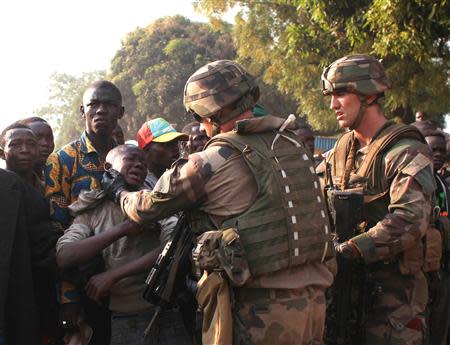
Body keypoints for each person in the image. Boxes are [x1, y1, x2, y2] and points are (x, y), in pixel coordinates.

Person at [104, 60, 335, 344]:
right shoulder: (291, 144)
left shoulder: (211, 161)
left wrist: (119, 192)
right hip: (314, 300)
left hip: (261, 311)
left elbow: (146, 208)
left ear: (209, 110)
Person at [321, 54, 435, 344]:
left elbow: (410, 220)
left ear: (370, 94)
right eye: (331, 95)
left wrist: (351, 250)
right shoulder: (339, 152)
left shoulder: (406, 151)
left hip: (392, 304)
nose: (333, 104)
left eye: (341, 93)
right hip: (342, 295)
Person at [56, 144, 190, 345]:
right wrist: (123, 229)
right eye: (130, 159)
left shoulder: (155, 203)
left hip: (165, 310)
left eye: (143, 164)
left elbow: (175, 246)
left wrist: (113, 275)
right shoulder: (93, 209)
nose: (138, 165)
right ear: (109, 167)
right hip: (124, 317)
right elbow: (64, 256)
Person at [45, 80, 124, 344]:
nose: (101, 110)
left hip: (127, 280)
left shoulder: (128, 156)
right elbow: (56, 232)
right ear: (83, 111)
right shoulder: (62, 160)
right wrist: (68, 298)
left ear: (120, 112)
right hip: (84, 283)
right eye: (94, 104)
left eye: (109, 104)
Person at [0, 122, 60, 344]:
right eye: (16, 145)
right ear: (2, 152)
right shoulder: (4, 187)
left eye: (30, 144)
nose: (24, 150)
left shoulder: (51, 190)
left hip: (41, 289)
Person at [412, 123, 450, 345]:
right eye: (432, 150)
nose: (437, 155)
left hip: (442, 272)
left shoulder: (443, 186)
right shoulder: (411, 184)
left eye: (441, 151)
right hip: (418, 272)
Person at [19, 116, 55, 183]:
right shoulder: (7, 182)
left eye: (49, 138)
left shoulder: (59, 180)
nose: (45, 143)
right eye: (37, 138)